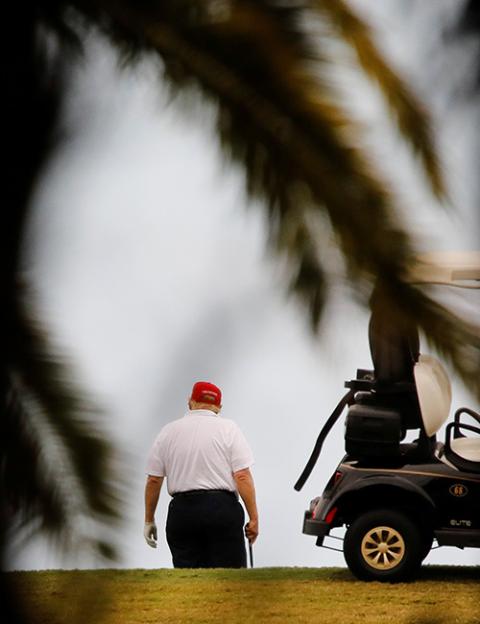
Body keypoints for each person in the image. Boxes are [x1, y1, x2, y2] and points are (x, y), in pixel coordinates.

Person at [143, 381, 259, 568]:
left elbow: (154, 479)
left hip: (182, 512)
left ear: (190, 402)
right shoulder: (229, 429)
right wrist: (253, 519)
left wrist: (149, 519)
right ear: (219, 407)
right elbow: (242, 475)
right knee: (229, 578)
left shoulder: (168, 431)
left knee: (188, 579)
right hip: (222, 510)